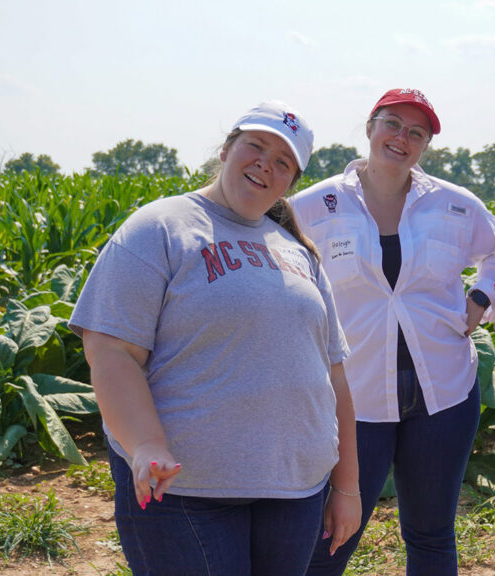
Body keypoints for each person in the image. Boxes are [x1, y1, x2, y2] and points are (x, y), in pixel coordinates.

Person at [69, 101, 361, 576]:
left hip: (296, 491)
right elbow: (111, 350)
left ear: (292, 181)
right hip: (185, 491)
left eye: (284, 161)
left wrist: (346, 487)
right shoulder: (160, 227)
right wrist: (145, 444)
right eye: (256, 146)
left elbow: (334, 377)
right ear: (226, 149)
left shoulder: (297, 250)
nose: (266, 163)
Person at [290, 88, 495, 575]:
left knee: (431, 533)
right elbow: (273, 256)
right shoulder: (316, 204)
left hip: (443, 394)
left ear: (425, 147)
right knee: (331, 536)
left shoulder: (453, 205)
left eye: (417, 133)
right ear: (370, 126)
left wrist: (480, 297)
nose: (402, 138)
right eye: (393, 124)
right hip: (355, 400)